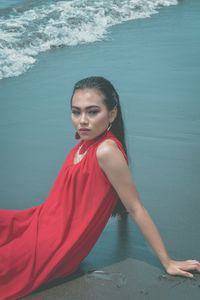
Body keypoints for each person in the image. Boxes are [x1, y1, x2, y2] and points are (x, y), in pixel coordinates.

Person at [0, 76, 199, 299]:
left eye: (92, 112)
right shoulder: (85, 143)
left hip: (55, 245)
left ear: (112, 114)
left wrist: (167, 261)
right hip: (39, 220)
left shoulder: (106, 151)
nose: (82, 120)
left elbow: (136, 208)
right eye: (76, 112)